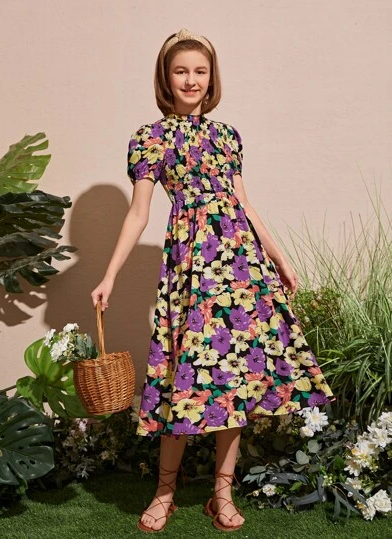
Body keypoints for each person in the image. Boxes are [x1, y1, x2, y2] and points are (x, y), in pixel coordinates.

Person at [91, 27, 336, 533]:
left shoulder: (227, 136)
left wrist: (279, 257)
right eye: (181, 71)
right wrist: (109, 275)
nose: (191, 80)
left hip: (242, 267)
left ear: (211, 77)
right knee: (181, 372)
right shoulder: (150, 138)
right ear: (165, 78)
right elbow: (138, 213)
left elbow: (244, 205)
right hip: (191, 266)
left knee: (235, 378)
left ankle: (221, 495)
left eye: (200, 71)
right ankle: (165, 493)